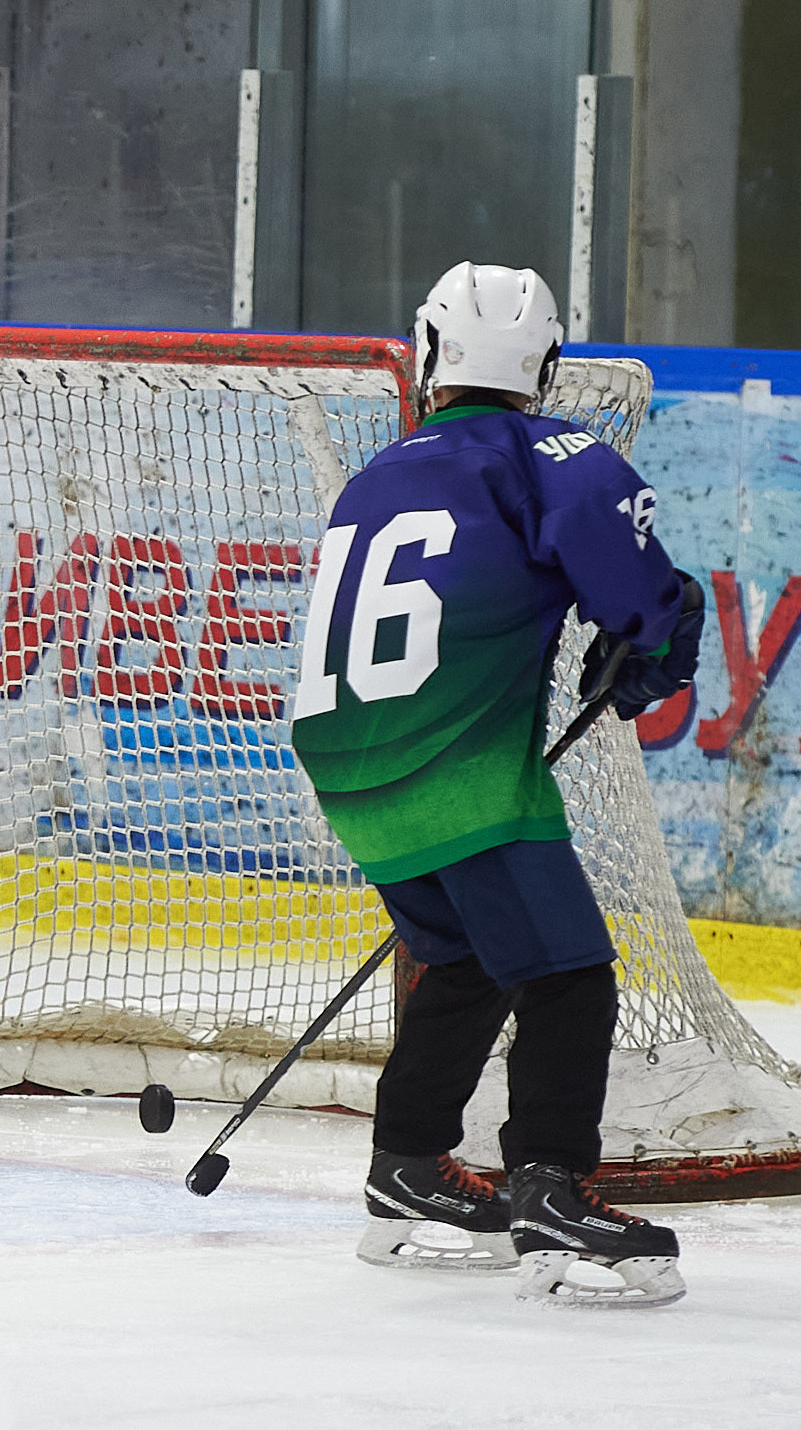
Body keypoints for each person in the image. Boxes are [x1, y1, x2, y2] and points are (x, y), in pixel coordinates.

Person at [291, 262, 704, 1307]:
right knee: (569, 974)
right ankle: (551, 1187)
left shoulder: (378, 471)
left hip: (343, 768)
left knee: (465, 958)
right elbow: (642, 599)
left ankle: (409, 1167)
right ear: (544, 366)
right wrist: (662, 637)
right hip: (453, 766)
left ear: (428, 356)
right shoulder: (552, 454)